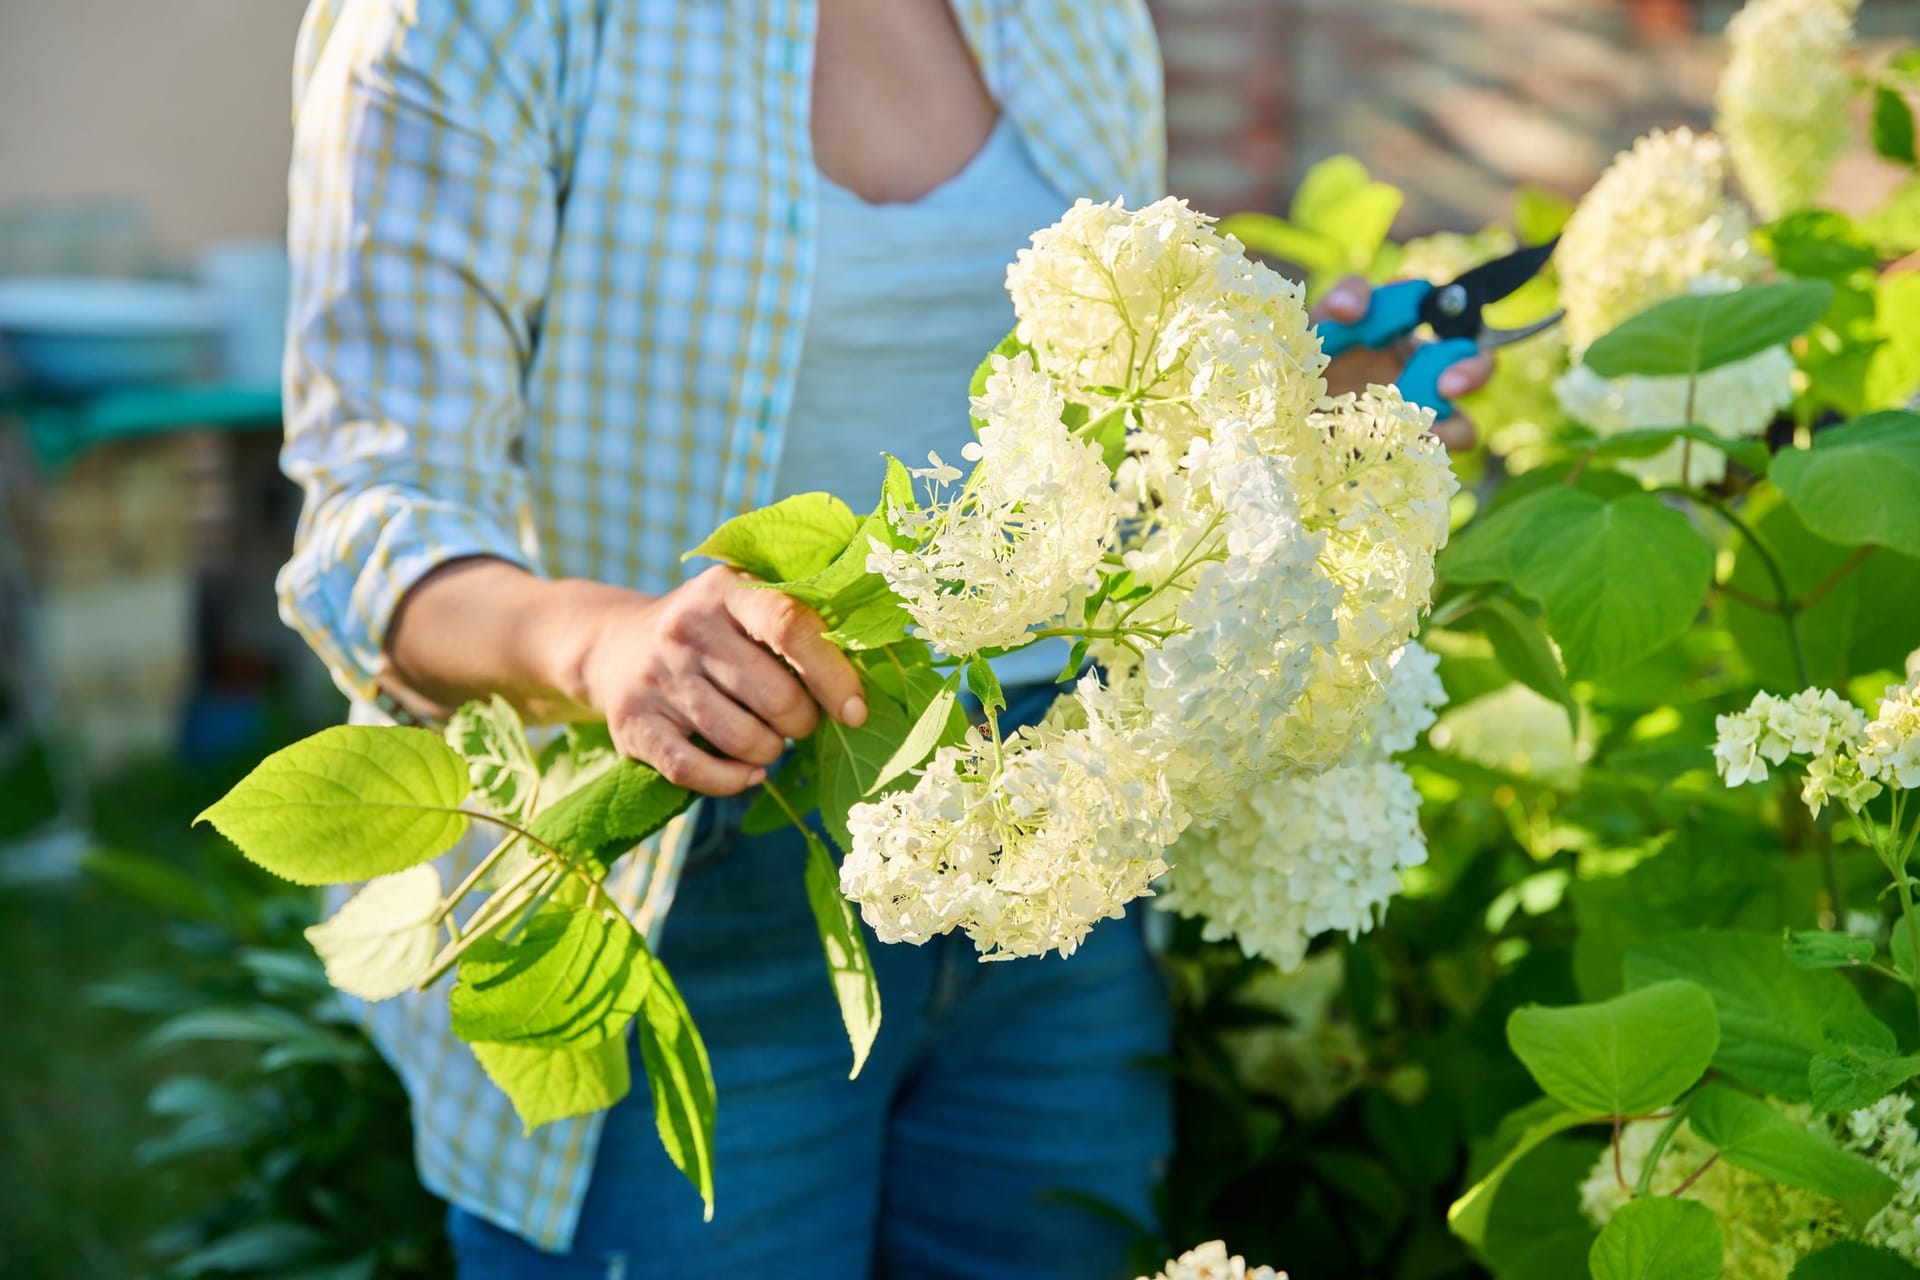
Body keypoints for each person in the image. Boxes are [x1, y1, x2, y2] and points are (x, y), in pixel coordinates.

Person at [278, 1, 1492, 1276]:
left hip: (1058, 862)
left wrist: (1286, 417)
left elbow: (1088, 454)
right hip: (689, 861)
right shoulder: (482, 22)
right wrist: (608, 645)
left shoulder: (1071, 19)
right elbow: (377, 513)